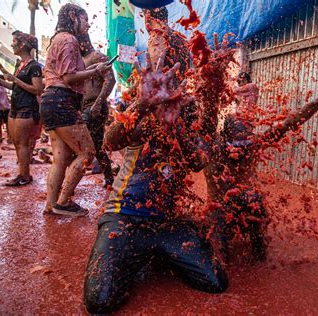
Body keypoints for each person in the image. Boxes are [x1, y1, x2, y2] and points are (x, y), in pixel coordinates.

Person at [83, 57, 228, 314]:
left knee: (215, 282)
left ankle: (154, 253)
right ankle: (136, 254)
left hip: (166, 224)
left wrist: (176, 127)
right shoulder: (141, 111)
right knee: (99, 300)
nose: (168, 88)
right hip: (123, 218)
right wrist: (143, 104)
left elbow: (197, 161)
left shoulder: (188, 112)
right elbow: (109, 141)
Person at [203, 68, 318, 262]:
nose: (241, 152)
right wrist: (211, 79)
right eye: (236, 145)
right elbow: (205, 121)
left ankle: (258, 250)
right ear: (224, 139)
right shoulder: (212, 148)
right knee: (218, 255)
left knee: (254, 201)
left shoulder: (254, 144)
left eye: (246, 145)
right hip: (217, 213)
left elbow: (291, 123)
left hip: (245, 206)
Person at [41, 4, 111, 216]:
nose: (88, 24)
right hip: (63, 102)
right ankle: (63, 202)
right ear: (73, 16)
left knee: (61, 159)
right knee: (87, 152)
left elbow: (68, 73)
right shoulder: (69, 39)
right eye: (85, 18)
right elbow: (69, 78)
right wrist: (95, 71)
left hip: (51, 101)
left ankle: (51, 205)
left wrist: (92, 70)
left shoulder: (58, 39)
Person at [0, 31, 43, 186]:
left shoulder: (34, 66)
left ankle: (24, 176)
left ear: (23, 45)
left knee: (22, 143)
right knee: (16, 142)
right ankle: (22, 174)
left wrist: (14, 79)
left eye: (15, 41)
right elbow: (14, 86)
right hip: (15, 109)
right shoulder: (20, 65)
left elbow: (37, 89)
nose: (12, 44)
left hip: (26, 109)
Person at [77, 33, 116, 186]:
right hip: (84, 107)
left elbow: (110, 80)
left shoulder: (98, 56)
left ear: (83, 42)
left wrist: (98, 103)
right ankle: (109, 178)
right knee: (97, 146)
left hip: (94, 107)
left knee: (83, 145)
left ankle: (70, 183)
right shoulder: (80, 61)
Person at [0, 77, 10, 144]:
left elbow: (6, 96)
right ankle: (0, 138)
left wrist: (9, 103)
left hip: (6, 106)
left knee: (7, 123)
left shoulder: (3, 86)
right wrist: (1, 104)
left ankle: (9, 137)